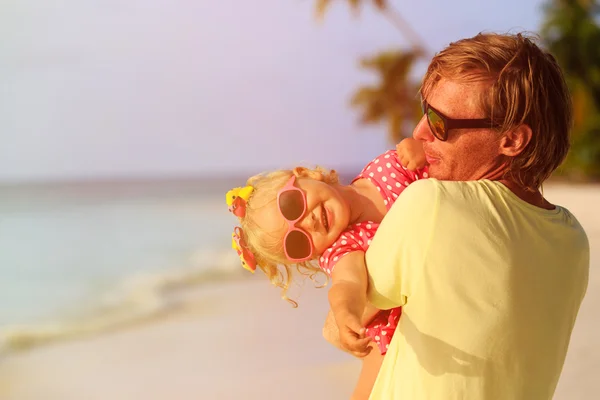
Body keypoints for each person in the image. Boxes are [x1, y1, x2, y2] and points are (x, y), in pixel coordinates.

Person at [332, 32, 590, 399]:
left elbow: (344, 320)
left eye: (441, 123)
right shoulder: (573, 239)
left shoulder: (431, 204)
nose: (420, 132)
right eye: (425, 112)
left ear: (512, 140)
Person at [225, 139, 427, 399]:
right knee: (373, 381)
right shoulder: (343, 246)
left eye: (292, 205)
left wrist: (422, 146)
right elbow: (347, 283)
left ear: (305, 175)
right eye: (296, 242)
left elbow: (449, 160)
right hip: (406, 319)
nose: (306, 222)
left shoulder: (387, 168)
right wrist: (346, 313)